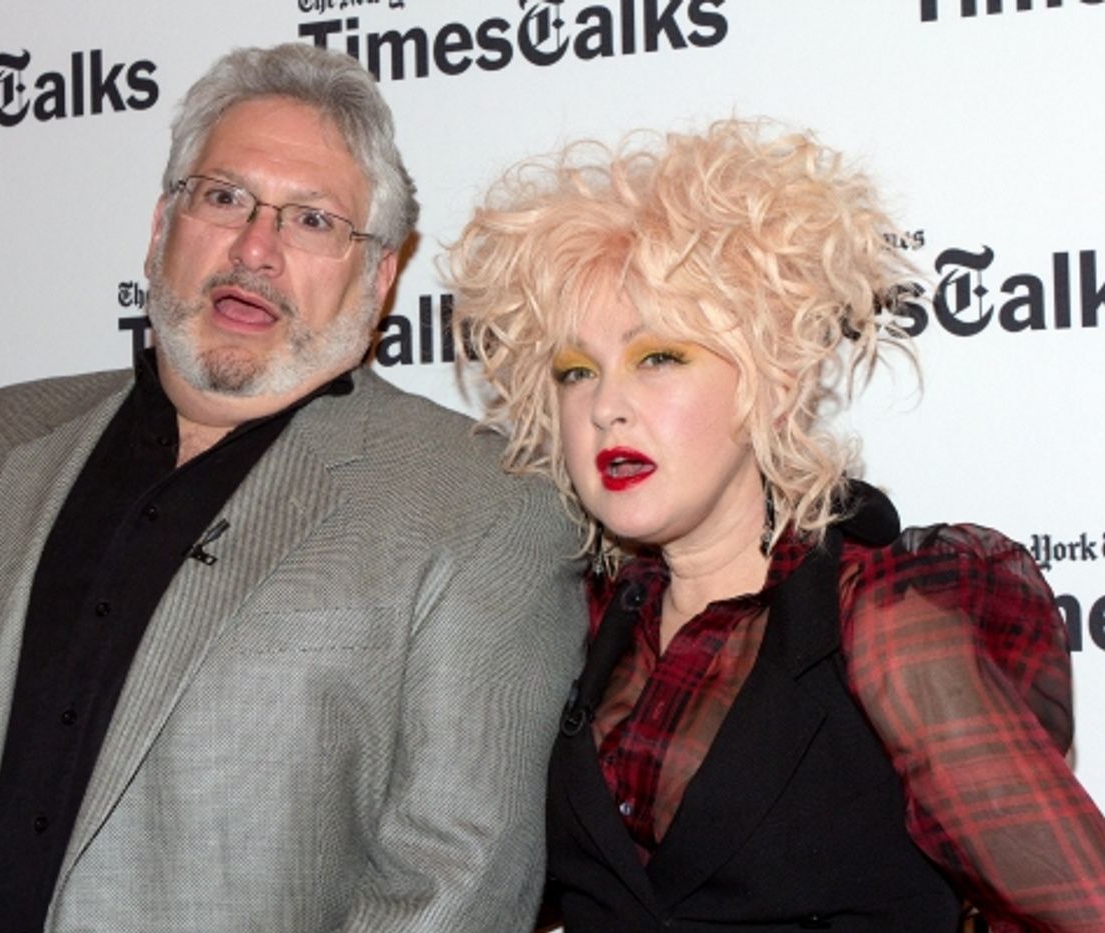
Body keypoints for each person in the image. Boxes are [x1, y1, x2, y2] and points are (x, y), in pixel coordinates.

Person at [0, 43, 584, 932]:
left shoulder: (480, 505)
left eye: (313, 220)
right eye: (225, 196)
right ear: (163, 225)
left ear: (381, 273)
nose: (255, 248)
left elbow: (450, 881)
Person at [446, 119, 1105, 931]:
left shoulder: (883, 620)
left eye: (659, 357)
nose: (605, 405)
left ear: (774, 380)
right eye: (576, 372)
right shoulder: (578, 624)